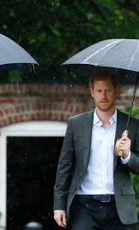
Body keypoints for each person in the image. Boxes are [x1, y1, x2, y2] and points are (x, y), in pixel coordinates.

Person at [54, 70, 139, 229]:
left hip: (119, 208)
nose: (103, 95)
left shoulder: (132, 125)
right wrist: (59, 205)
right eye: (99, 91)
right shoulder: (76, 124)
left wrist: (127, 155)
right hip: (84, 207)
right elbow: (64, 167)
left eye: (108, 90)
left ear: (117, 91)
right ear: (91, 92)